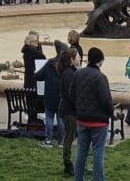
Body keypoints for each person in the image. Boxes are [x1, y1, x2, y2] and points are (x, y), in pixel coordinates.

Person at [72, 46, 111, 181]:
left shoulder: (78, 74)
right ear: (100, 61)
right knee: (98, 152)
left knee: (81, 151)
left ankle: (78, 178)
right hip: (99, 121)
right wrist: (110, 114)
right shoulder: (100, 77)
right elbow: (106, 100)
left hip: (82, 119)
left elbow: (72, 94)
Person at [57, 47, 80, 176]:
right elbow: (71, 94)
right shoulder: (68, 74)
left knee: (69, 137)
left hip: (69, 109)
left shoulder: (69, 72)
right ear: (71, 59)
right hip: (69, 111)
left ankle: (71, 163)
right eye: (77, 56)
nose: (80, 58)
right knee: (69, 138)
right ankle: (68, 164)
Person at [36, 49, 64, 147]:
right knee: (60, 118)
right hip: (61, 96)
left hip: (50, 94)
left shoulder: (50, 63)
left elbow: (38, 75)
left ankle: (48, 140)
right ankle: (61, 142)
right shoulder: (66, 66)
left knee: (49, 117)